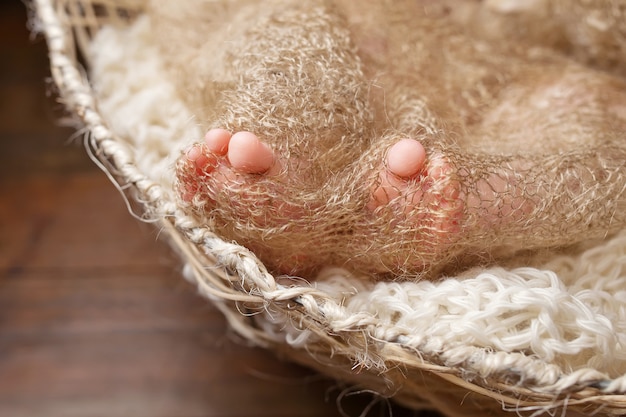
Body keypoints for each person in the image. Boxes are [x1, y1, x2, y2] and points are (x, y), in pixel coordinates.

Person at [167, 0, 626, 279]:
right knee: (300, 41)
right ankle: (285, 163)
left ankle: (459, 206)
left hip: (551, 68)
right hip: (390, 30)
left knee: (601, 126)